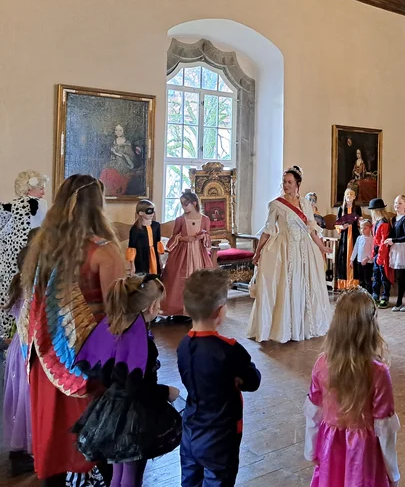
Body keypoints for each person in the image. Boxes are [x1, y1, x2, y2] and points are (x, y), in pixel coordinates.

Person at [19, 174, 126, 485]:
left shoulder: (43, 247)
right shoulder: (104, 251)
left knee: (53, 435)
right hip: (87, 362)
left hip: (45, 356)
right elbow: (117, 315)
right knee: (94, 433)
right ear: (97, 206)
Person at [71, 275, 182, 487]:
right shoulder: (141, 344)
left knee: (118, 471)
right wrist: (166, 391)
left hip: (110, 409)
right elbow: (138, 387)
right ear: (150, 308)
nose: (159, 308)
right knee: (132, 474)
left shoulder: (113, 329)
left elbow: (104, 376)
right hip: (135, 416)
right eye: (158, 304)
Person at [303, 289, 400, 487]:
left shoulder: (322, 363)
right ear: (371, 327)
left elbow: (313, 414)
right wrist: (393, 472)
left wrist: (311, 450)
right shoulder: (378, 372)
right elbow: (385, 429)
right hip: (363, 455)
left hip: (331, 450)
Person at [179, 269, 262, 486]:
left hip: (189, 429)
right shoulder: (230, 349)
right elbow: (253, 381)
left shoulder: (182, 346)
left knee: (190, 481)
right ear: (219, 311)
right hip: (221, 435)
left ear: (186, 309)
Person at [248, 166, 332, 343]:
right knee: (285, 286)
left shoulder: (306, 204)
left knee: (304, 286)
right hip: (284, 250)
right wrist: (257, 253)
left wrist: (322, 248)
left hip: (305, 250)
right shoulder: (276, 205)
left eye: (289, 182)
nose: (286, 185)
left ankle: (303, 326)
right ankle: (284, 328)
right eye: (284, 182)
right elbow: (267, 231)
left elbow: (312, 230)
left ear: (297, 184)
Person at [0, 170, 48, 339]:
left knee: (9, 295)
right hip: (25, 257)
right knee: (24, 295)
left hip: (8, 258)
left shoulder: (9, 206)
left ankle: (6, 335)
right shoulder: (37, 204)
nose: (43, 192)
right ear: (29, 189)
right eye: (40, 188)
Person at [3, 247, 33, 477]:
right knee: (26, 398)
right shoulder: (31, 289)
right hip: (26, 349)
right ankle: (24, 449)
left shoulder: (18, 283)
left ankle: (19, 449)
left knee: (19, 398)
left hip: (17, 349)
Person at [161, 190, 212, 318]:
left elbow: (208, 238)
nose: (183, 206)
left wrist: (203, 236)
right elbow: (174, 237)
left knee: (200, 279)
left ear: (194, 203)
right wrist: (184, 238)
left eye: (185, 203)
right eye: (182, 204)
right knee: (179, 278)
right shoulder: (180, 220)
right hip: (182, 254)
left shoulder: (205, 219)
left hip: (199, 253)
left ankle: (199, 309)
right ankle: (180, 309)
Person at [127, 199, 164, 276]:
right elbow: (132, 248)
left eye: (153, 211)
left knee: (155, 277)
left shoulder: (156, 226)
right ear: (140, 213)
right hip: (141, 258)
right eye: (149, 211)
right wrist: (132, 267)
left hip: (154, 257)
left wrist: (160, 260)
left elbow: (158, 243)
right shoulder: (135, 229)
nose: (152, 213)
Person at [368, 198, 394, 308]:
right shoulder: (377, 223)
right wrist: (373, 253)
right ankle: (375, 295)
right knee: (376, 276)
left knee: (384, 277)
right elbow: (375, 240)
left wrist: (380, 257)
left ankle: (385, 297)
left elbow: (384, 241)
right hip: (377, 252)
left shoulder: (384, 223)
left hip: (383, 254)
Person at [99, 124, 137, 196]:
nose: (118, 132)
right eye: (116, 130)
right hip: (115, 162)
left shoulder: (127, 143)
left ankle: (115, 192)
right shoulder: (114, 141)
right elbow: (112, 155)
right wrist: (113, 155)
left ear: (123, 131)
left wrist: (118, 154)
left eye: (120, 130)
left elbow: (131, 157)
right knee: (105, 171)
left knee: (113, 173)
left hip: (124, 163)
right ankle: (106, 193)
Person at [335, 187, 362, 290]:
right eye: (347, 195)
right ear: (344, 197)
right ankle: (344, 283)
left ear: (354, 197)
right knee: (343, 256)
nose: (349, 197)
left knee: (355, 256)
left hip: (355, 235)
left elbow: (360, 223)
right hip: (345, 236)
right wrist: (342, 227)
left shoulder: (357, 208)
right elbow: (337, 224)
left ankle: (355, 282)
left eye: (351, 195)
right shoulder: (341, 209)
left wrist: (360, 221)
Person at [352, 219, 374, 291]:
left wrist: (367, 258)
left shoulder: (372, 239)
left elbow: (373, 251)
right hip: (359, 261)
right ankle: (362, 295)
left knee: (367, 280)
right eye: (361, 228)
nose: (362, 230)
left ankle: (369, 295)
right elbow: (355, 249)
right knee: (361, 280)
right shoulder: (359, 238)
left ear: (370, 228)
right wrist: (351, 260)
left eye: (365, 228)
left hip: (368, 262)